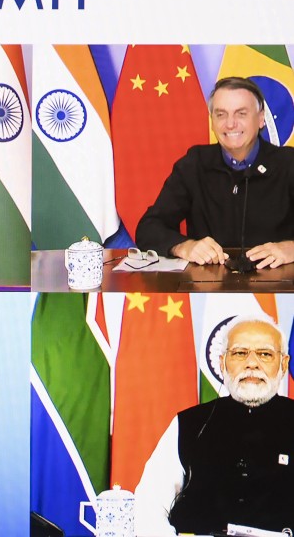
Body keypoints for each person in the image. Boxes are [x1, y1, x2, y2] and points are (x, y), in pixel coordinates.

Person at [134, 317, 294, 536]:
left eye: (265, 354)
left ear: (284, 364)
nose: (252, 363)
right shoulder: (189, 423)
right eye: (240, 353)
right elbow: (149, 503)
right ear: (222, 362)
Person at [135, 77, 294, 268]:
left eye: (241, 113)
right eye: (220, 114)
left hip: (279, 287)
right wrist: (184, 246)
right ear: (212, 121)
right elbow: (149, 228)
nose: (230, 124)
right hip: (208, 287)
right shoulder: (195, 163)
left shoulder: (288, 163)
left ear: (261, 119)